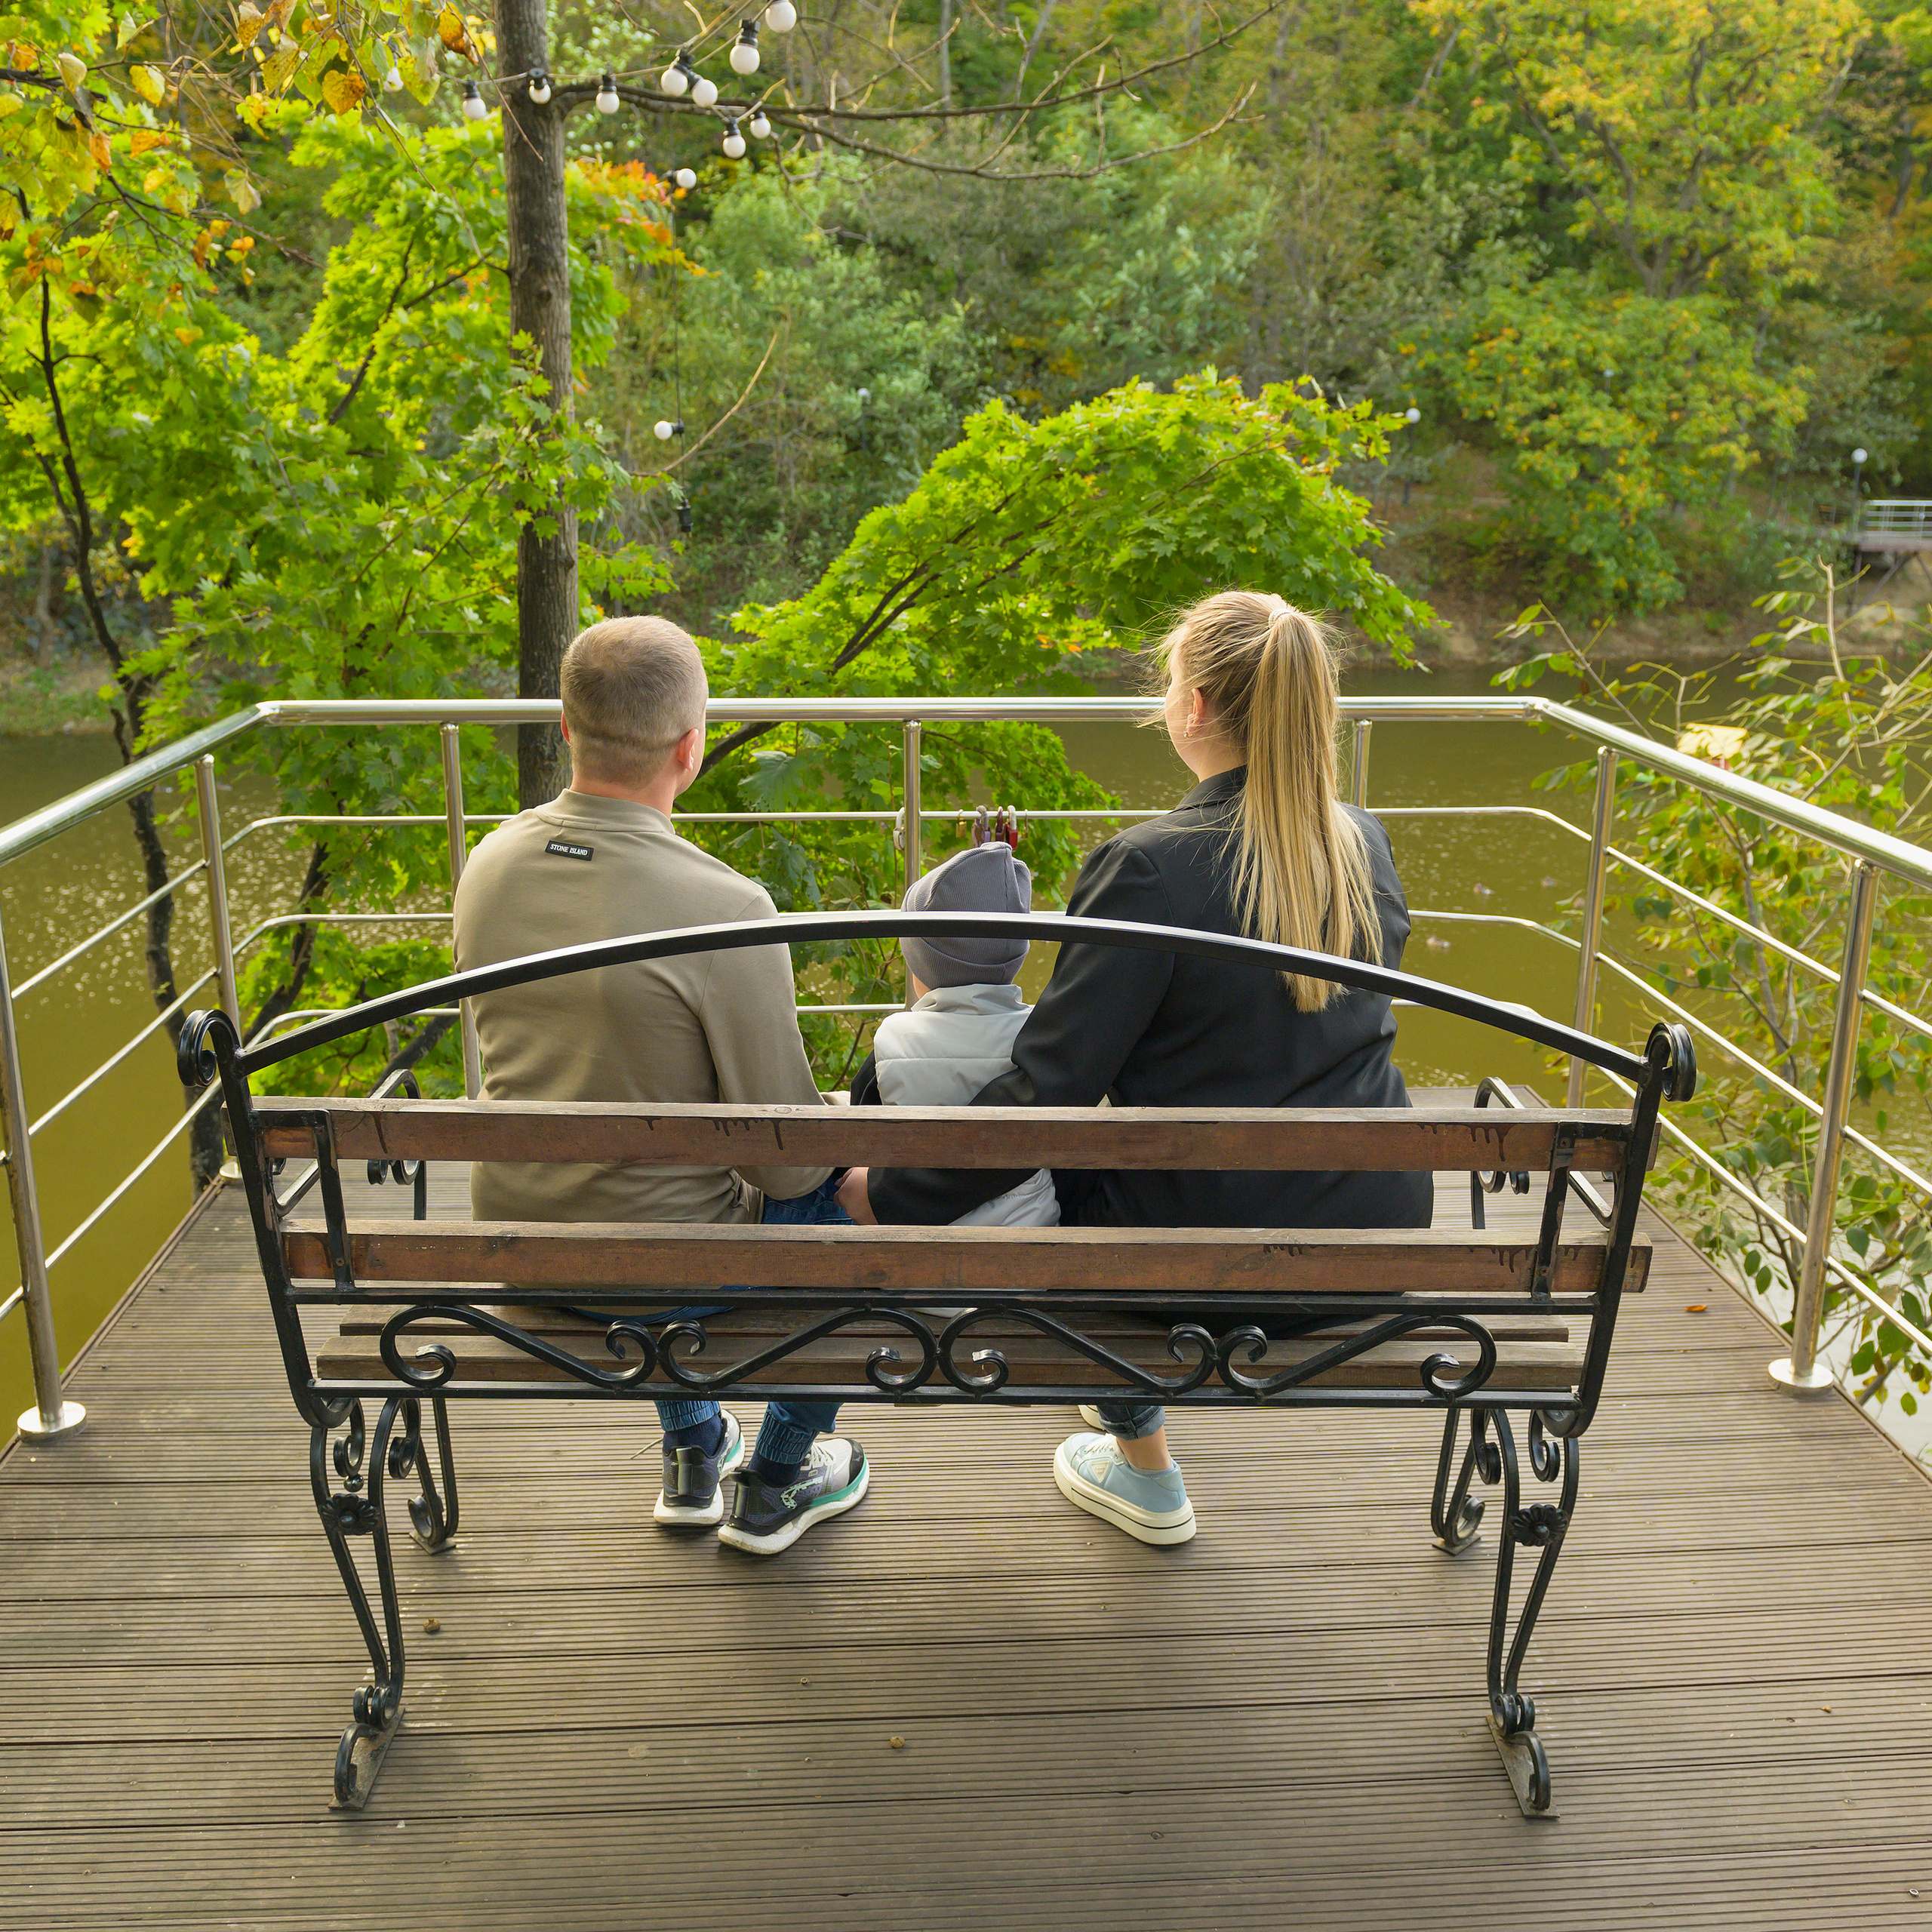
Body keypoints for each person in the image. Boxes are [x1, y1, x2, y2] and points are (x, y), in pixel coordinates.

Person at [838, 591, 1431, 1547]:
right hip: (1375, 1234)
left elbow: (1049, 1092)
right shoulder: (1359, 838)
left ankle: (1137, 1449)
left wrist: (898, 1192)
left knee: (1057, 1186)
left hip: (1194, 1263)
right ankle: (1129, 1432)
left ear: (1194, 706)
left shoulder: (1149, 868)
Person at [452, 616, 869, 1557]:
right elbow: (792, 1171)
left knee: (654, 1181)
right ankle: (781, 1471)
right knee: (864, 1209)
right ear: (693, 747)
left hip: (523, 1239)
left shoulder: (487, 864)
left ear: (566, 727)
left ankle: (692, 1449)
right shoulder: (726, 906)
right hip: (671, 1264)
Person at [848, 839, 1058, 1229]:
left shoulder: (893, 1039)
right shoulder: (1041, 1037)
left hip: (918, 1253)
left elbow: (861, 1136)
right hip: (1032, 1250)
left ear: (920, 968)